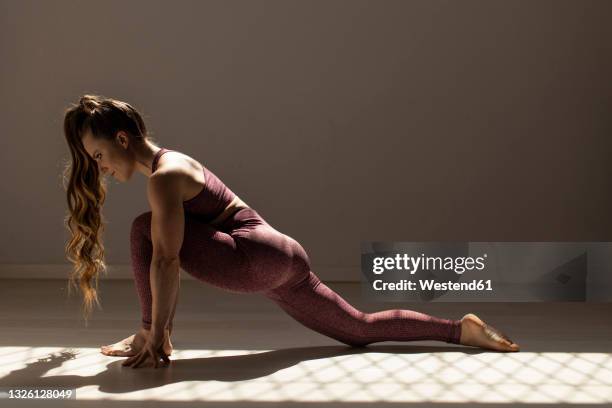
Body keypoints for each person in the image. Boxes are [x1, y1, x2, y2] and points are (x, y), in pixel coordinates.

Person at [62, 95, 520, 369]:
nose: (99, 169)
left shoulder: (163, 177)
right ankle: (461, 330)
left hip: (253, 256)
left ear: (122, 139)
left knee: (146, 232)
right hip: (282, 257)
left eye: (98, 156)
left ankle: (149, 336)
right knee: (358, 330)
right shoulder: (173, 164)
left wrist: (155, 332)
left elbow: (166, 259)